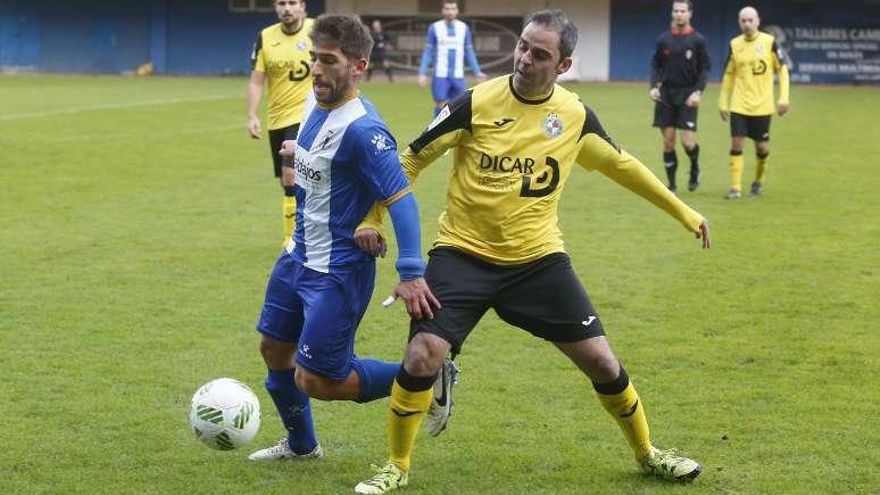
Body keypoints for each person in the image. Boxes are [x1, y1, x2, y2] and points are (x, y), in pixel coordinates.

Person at [353, 9, 710, 494]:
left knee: (603, 363)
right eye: (523, 46)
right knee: (422, 356)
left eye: (539, 54)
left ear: (563, 65)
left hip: (538, 262)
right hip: (462, 253)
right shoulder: (475, 102)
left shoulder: (575, 115)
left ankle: (648, 454)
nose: (524, 59)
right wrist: (372, 217)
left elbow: (622, 166)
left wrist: (684, 213)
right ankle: (395, 466)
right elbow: (411, 158)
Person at [247, 13, 439, 463]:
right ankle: (301, 446)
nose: (316, 69)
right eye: (314, 58)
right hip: (296, 256)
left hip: (337, 272)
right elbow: (327, 162)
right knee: (274, 348)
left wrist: (411, 272)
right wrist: (300, 152)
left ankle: (424, 376)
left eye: (328, 61)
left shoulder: (365, 131)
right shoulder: (316, 104)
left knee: (316, 380)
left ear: (358, 67)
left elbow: (402, 200)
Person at [247, 0, 313, 246]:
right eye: (281, 3)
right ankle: (299, 231)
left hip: (307, 116)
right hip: (277, 118)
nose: (287, 8)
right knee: (288, 182)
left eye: (292, 2)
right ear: (276, 7)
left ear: (302, 6)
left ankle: (292, 238)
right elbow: (256, 81)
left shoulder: (317, 32)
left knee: (290, 175)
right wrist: (252, 115)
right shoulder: (265, 37)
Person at [718, 6, 790, 199]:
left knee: (762, 147)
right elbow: (729, 75)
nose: (747, 24)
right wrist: (723, 102)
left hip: (763, 106)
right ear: (739, 23)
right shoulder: (735, 44)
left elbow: (782, 70)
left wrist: (783, 98)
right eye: (743, 20)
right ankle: (735, 188)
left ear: (758, 21)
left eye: (750, 20)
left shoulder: (769, 42)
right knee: (736, 143)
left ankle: (758, 181)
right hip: (739, 105)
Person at [649, 0, 710, 194]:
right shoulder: (663, 40)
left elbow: (705, 68)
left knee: (687, 142)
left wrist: (698, 91)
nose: (679, 14)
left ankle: (694, 167)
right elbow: (655, 65)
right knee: (668, 141)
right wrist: (653, 87)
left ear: (690, 13)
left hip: (688, 94)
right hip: (666, 95)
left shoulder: (698, 40)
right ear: (672, 13)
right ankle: (672, 186)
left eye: (683, 10)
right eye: (676, 10)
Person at [418, 1, 487, 117]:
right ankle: (437, 133)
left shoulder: (464, 28)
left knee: (459, 106)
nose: (450, 12)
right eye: (447, 9)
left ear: (457, 11)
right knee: (441, 104)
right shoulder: (434, 28)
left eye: (453, 9)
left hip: (458, 75)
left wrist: (477, 72)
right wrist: (422, 73)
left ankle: (456, 134)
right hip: (440, 75)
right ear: (442, 10)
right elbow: (428, 52)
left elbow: (469, 52)